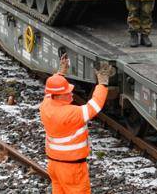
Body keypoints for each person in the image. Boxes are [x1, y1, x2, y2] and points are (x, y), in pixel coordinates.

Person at [39, 55, 115, 194]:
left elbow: (51, 91)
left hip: (54, 165)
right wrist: (102, 82)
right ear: (60, 95)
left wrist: (61, 72)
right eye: (67, 92)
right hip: (71, 168)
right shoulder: (70, 113)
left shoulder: (46, 105)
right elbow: (94, 106)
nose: (71, 94)